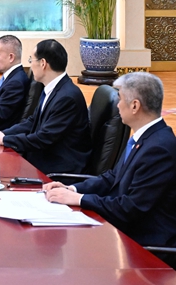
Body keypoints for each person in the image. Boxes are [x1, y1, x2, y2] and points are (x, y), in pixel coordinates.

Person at [44, 72, 176, 247]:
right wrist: (72, 189)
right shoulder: (145, 138)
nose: (118, 105)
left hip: (144, 245)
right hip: (124, 231)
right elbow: (113, 178)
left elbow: (130, 208)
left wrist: (80, 199)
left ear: (135, 105)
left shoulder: (159, 149)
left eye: (120, 99)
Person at [0, 39, 92, 175]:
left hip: (58, 167)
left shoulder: (67, 97)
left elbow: (43, 138)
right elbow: (32, 121)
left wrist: (4, 139)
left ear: (43, 63)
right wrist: (3, 134)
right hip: (42, 157)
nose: (30, 65)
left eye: (31, 60)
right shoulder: (51, 88)